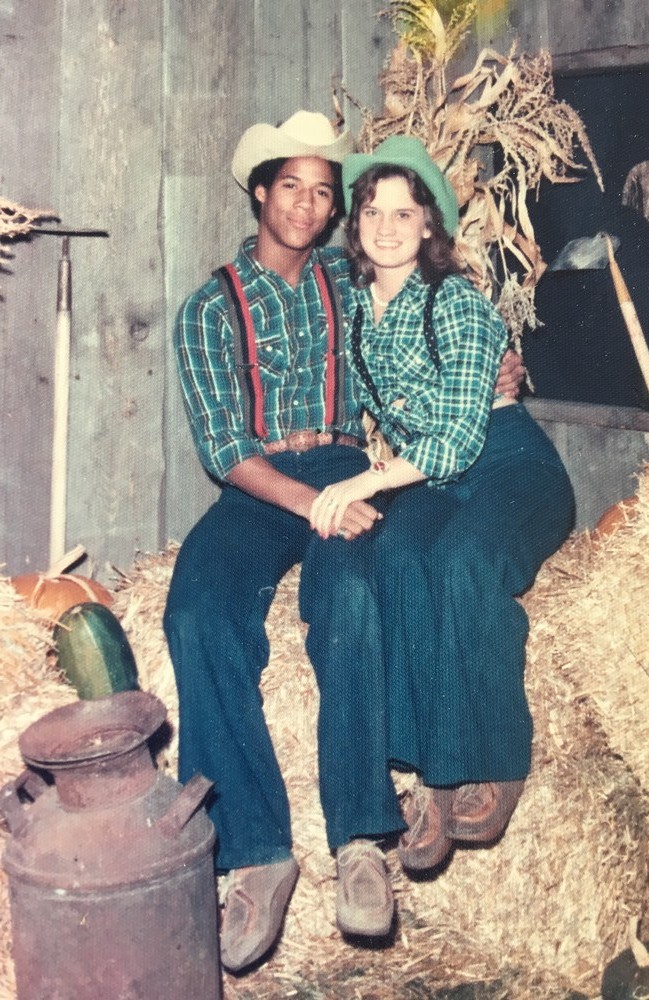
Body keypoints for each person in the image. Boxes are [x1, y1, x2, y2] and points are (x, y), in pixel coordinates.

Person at [164, 112, 526, 971]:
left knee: (353, 598)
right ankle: (256, 851)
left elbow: (438, 306)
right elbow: (224, 450)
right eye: (290, 186)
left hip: (346, 463)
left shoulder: (348, 273)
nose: (306, 204)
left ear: (336, 211)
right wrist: (311, 503)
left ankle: (361, 840)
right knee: (197, 611)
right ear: (260, 193)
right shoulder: (209, 308)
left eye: (323, 192)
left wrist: (498, 367)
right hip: (260, 483)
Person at [310, 135, 575, 874]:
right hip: (427, 479)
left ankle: (495, 758)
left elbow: (458, 437)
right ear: (355, 224)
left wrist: (365, 481)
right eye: (372, 211)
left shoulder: (456, 302)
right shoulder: (353, 307)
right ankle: (433, 772)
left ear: (430, 224)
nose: (386, 226)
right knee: (397, 555)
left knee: (462, 559)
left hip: (508, 463)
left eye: (404, 213)